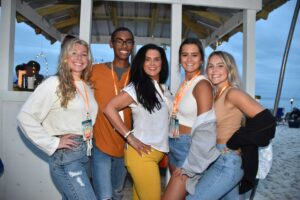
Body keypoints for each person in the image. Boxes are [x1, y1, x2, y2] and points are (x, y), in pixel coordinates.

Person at [186, 51, 276, 199]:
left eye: (220, 66)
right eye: (210, 66)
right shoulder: (216, 95)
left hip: (227, 160)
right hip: (215, 157)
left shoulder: (232, 93)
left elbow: (267, 120)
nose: (214, 70)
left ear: (230, 69)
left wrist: (236, 141)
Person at [17, 38, 98, 200]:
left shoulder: (86, 85)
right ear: (65, 58)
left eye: (84, 54)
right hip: (67, 156)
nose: (79, 58)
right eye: (74, 53)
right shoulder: (54, 83)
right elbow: (24, 116)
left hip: (85, 151)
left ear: (88, 60)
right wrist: (53, 143)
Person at [103, 44, 172, 200]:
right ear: (141, 63)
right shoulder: (137, 87)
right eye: (147, 60)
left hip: (156, 155)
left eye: (156, 59)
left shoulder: (164, 90)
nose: (152, 64)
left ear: (162, 63)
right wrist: (129, 136)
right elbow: (109, 108)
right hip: (142, 155)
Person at [163, 38, 218, 200]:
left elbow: (206, 130)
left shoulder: (202, 85)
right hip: (175, 144)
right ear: (179, 58)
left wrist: (191, 165)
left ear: (202, 60)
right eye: (185, 55)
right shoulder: (185, 83)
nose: (189, 59)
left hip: (188, 149)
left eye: (194, 55)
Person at [91, 27, 134, 200]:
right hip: (100, 141)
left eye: (128, 41)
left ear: (132, 45)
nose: (124, 45)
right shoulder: (95, 71)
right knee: (104, 195)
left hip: (125, 144)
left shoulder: (138, 74)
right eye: (119, 40)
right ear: (111, 44)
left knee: (117, 192)